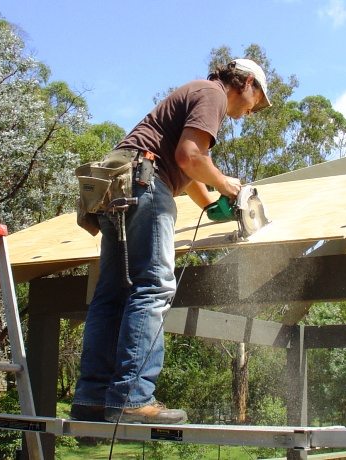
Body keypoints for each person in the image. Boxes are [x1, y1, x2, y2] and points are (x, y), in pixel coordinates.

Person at [70, 58, 272, 424]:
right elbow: (190, 157)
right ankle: (133, 397)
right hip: (146, 182)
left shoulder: (194, 92)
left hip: (117, 184)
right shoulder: (212, 93)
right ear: (245, 82)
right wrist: (227, 184)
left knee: (112, 293)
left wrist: (212, 203)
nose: (251, 110)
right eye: (254, 100)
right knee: (154, 288)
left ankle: (92, 398)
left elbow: (186, 169)